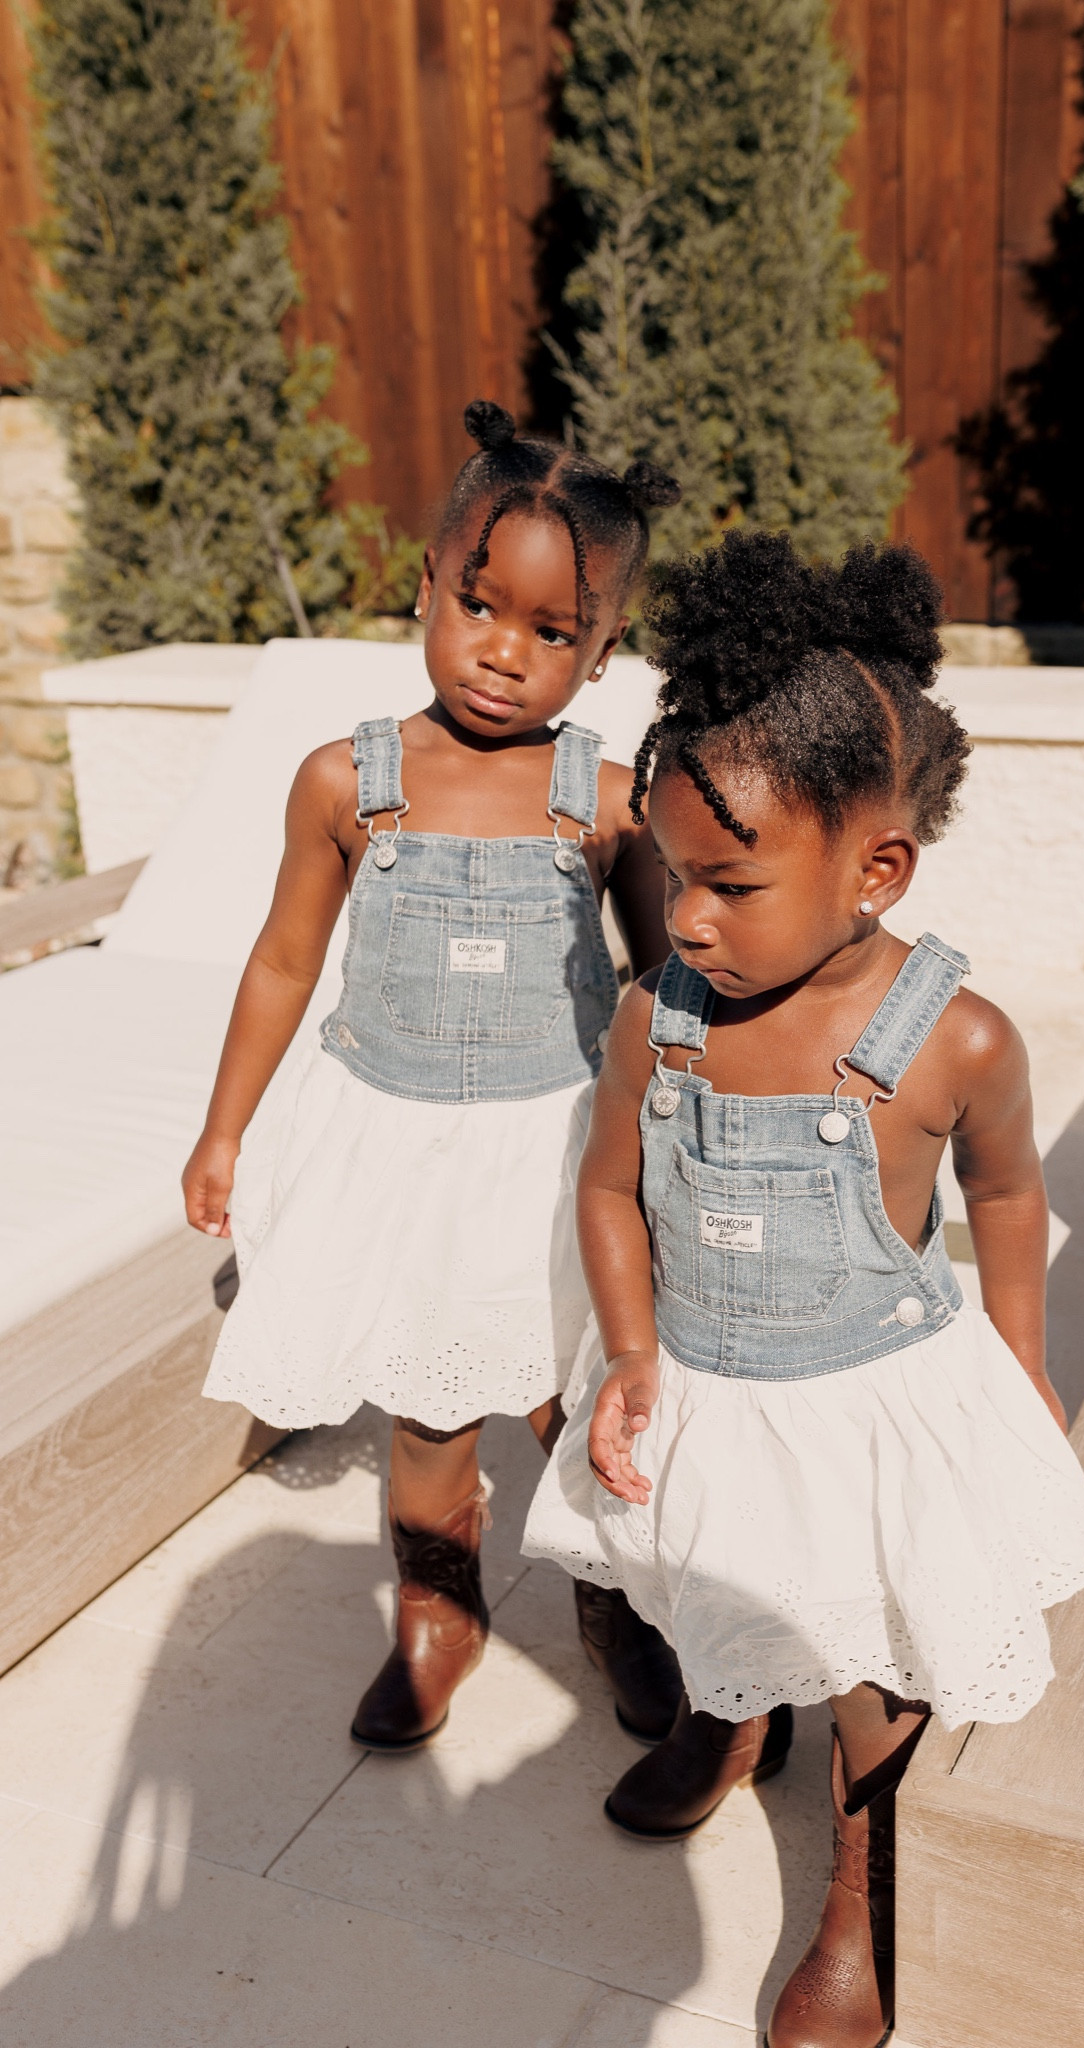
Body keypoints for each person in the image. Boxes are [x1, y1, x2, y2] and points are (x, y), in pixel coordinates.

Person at [524, 530, 1084, 2048]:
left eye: (729, 882)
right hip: (706, 1382)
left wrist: (1019, 1359)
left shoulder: (954, 1039)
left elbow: (1005, 1193)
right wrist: (634, 1350)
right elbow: (607, 1187)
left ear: (875, 870)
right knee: (717, 1573)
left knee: (862, 1647)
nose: (688, 918)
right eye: (671, 875)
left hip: (868, 1396)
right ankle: (731, 1724)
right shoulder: (657, 1019)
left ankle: (858, 1876)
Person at [183, 400, 685, 1755]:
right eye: (477, 606)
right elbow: (287, 963)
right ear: (424, 586)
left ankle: (615, 1600)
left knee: (581, 1389)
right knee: (427, 1390)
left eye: (550, 631)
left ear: (602, 651)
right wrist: (224, 1129)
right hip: (391, 1140)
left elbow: (662, 996)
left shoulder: (607, 801)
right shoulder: (344, 783)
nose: (502, 654)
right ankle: (438, 1600)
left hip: (553, 1153)